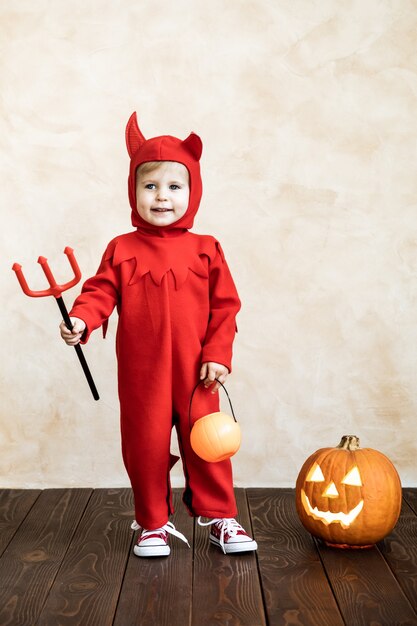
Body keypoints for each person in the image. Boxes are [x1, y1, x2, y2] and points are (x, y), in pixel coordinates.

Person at [60, 112, 257, 557]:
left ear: (193, 192)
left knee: (209, 443)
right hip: (142, 374)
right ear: (133, 191)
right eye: (149, 187)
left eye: (174, 187)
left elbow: (226, 307)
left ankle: (221, 517)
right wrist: (81, 320)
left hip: (197, 373)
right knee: (145, 446)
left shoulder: (206, 248)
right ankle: (152, 523)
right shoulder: (122, 248)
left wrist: (218, 353)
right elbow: (99, 292)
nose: (162, 197)